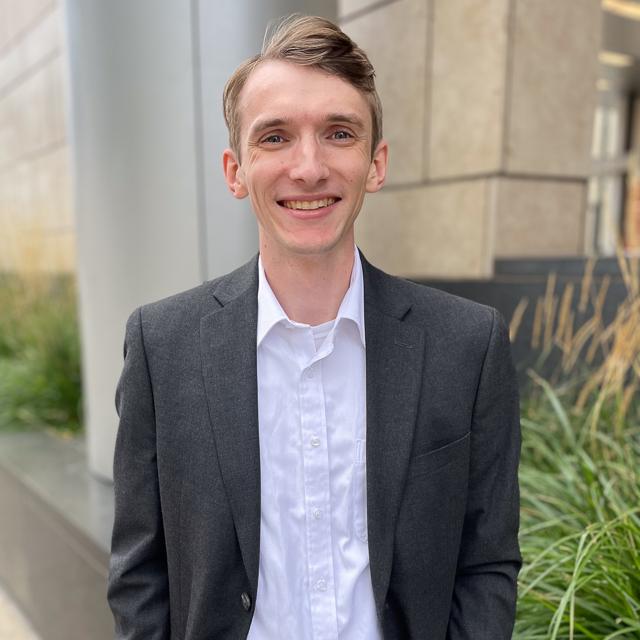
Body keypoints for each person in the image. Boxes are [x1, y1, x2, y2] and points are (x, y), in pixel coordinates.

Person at [107, 14, 521, 640]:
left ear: (375, 164)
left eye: (338, 133)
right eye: (274, 137)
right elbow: (139, 575)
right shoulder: (162, 348)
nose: (308, 167)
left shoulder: (467, 346)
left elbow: (485, 562)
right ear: (235, 171)